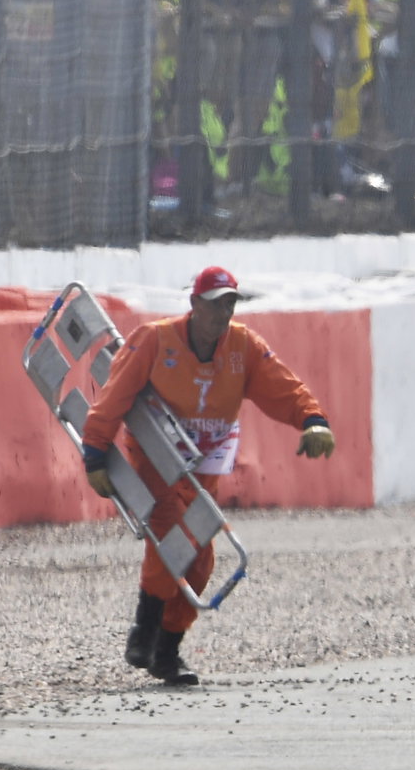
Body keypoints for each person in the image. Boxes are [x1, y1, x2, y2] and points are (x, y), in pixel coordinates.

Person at [81, 267, 335, 685]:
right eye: (216, 304)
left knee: (202, 557)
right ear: (194, 304)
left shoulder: (243, 347)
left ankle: (167, 649)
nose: (223, 313)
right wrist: (95, 453)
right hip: (155, 460)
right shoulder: (154, 340)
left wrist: (312, 419)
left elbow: (280, 386)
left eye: (230, 304)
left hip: (202, 467)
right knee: (172, 540)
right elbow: (116, 394)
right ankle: (144, 632)